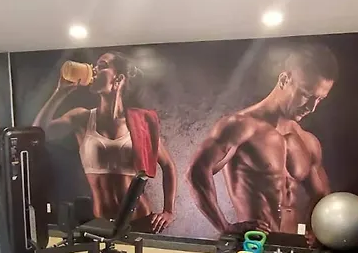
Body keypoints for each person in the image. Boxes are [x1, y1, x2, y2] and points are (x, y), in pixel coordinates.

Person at [186, 43, 339, 237]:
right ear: (284, 80)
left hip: (291, 245)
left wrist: (314, 230)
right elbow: (196, 173)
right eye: (306, 95)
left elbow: (322, 195)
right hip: (251, 244)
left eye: (319, 99)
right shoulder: (241, 127)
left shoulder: (307, 141)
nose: (312, 107)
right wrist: (225, 227)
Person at [33, 52, 177, 233]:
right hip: (101, 224)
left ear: (118, 79)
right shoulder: (82, 118)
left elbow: (168, 165)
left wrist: (168, 211)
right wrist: (59, 93)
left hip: (141, 220)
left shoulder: (140, 124)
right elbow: (38, 133)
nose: (94, 69)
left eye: (102, 66)